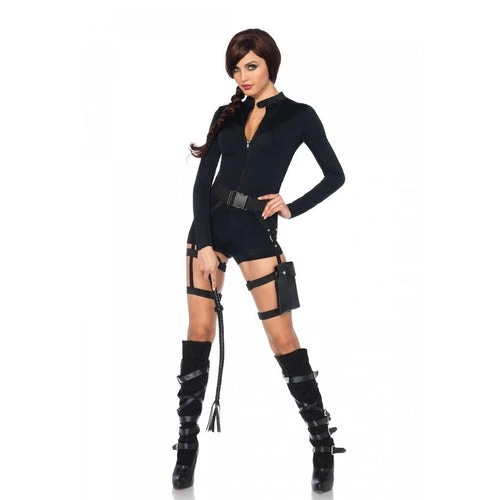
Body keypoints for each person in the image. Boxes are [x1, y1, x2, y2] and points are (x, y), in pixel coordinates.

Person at [172, 28, 346, 493]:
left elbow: (335, 175)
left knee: (282, 336)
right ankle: (186, 445)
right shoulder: (226, 114)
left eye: (251, 65)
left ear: (270, 62)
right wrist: (204, 244)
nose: (242, 76)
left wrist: (292, 206)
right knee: (199, 331)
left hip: (257, 232)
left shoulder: (299, 115)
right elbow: (201, 183)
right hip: (209, 228)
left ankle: (322, 442)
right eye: (236, 68)